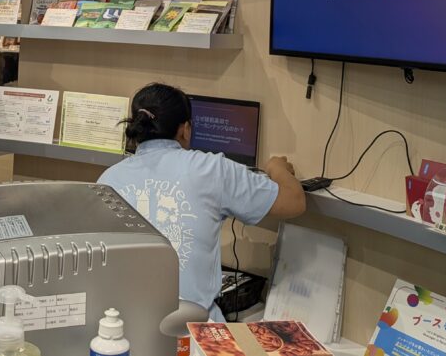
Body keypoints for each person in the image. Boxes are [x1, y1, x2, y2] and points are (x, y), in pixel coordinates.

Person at [97, 83, 306, 321]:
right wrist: (276, 168)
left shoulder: (107, 180)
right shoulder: (211, 169)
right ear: (185, 130)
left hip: (120, 326)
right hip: (193, 330)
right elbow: (294, 202)